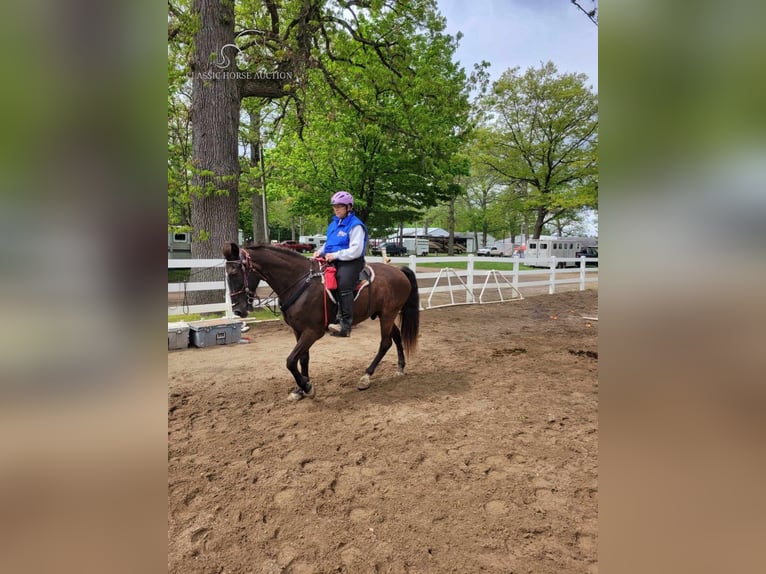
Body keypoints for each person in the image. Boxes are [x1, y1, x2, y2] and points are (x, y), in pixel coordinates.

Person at [313, 191, 368, 337]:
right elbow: (329, 244)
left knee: (343, 285)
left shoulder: (356, 225)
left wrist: (336, 255)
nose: (336, 209)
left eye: (340, 206)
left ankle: (345, 325)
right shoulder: (333, 224)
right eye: (334, 207)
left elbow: (356, 250)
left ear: (349, 207)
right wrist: (320, 252)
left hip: (351, 261)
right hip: (333, 259)